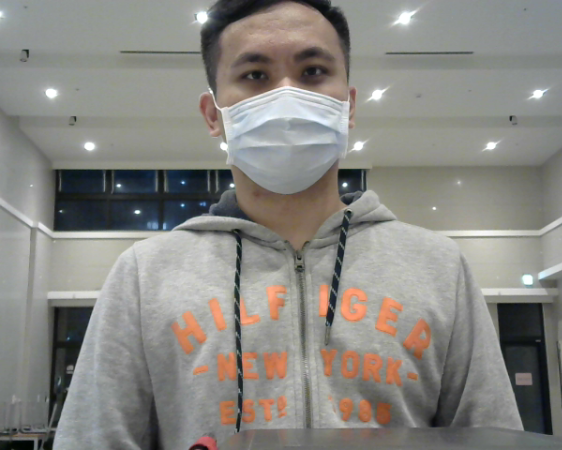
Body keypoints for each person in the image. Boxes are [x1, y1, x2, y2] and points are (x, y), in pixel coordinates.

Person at [54, 0, 523, 448]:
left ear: (349, 106)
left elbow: (492, 436)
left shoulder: (438, 267)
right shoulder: (145, 275)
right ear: (213, 115)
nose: (286, 95)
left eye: (313, 71)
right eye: (255, 75)